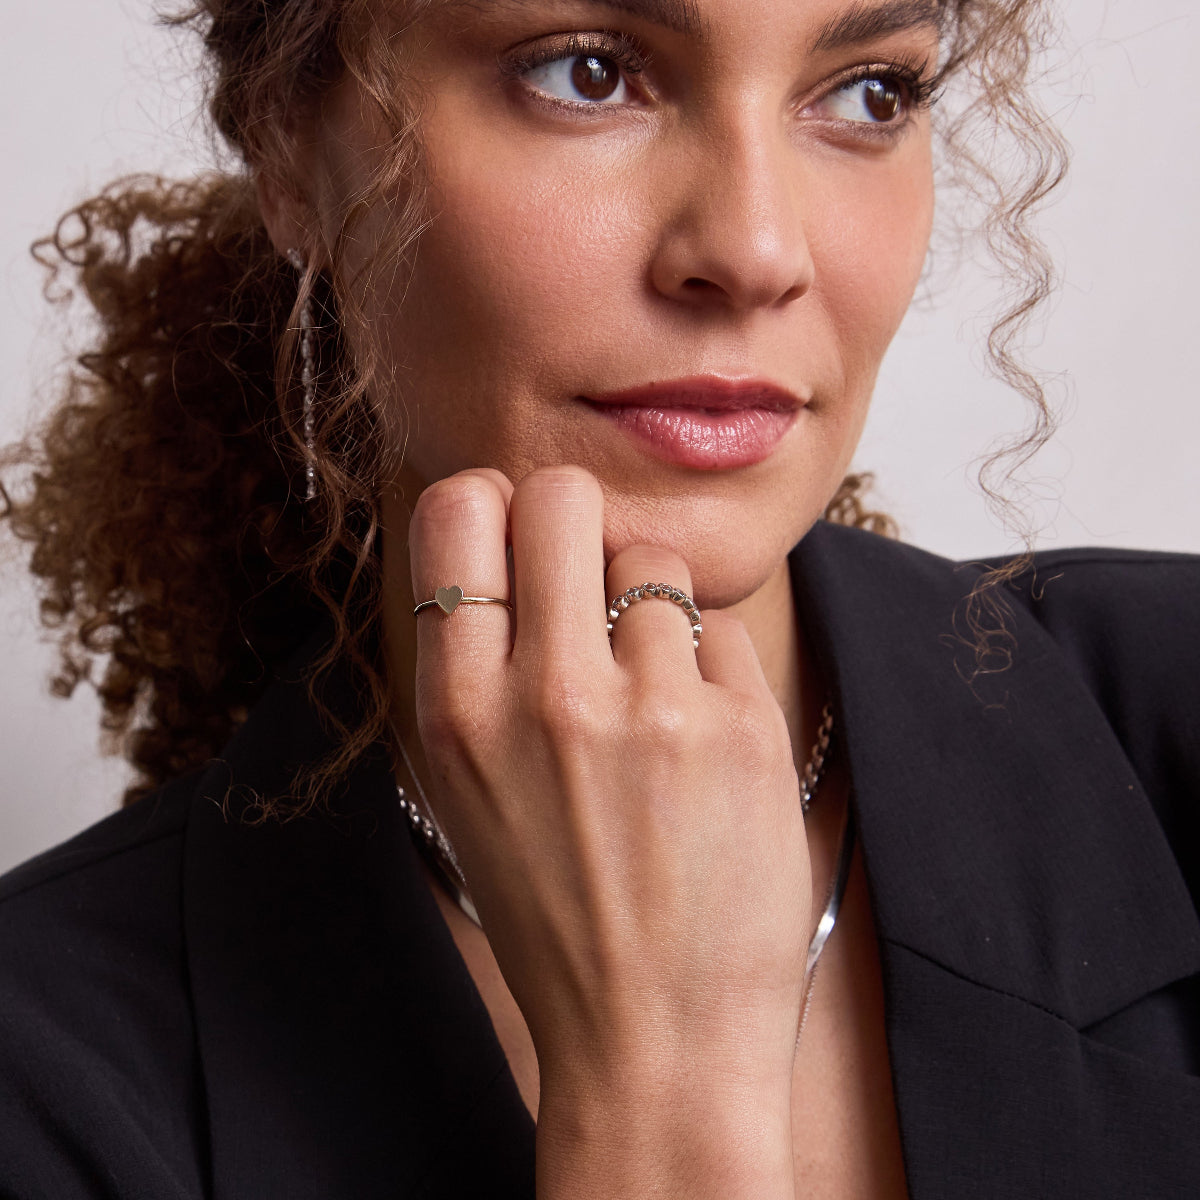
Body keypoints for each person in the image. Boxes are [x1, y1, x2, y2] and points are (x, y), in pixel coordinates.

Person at [1, 0, 1197, 1196]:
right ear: (288, 146)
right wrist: (663, 1084)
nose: (757, 250)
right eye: (587, 74)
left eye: (869, 93)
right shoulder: (48, 1076)